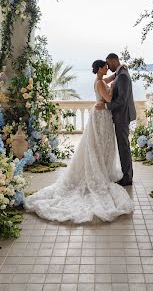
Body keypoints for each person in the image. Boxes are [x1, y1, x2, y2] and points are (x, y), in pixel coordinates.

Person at [24, 59, 133, 223]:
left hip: (102, 116)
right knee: (99, 146)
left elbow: (111, 80)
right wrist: (113, 90)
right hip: (101, 116)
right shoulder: (100, 83)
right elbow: (109, 99)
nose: (108, 69)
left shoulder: (102, 80)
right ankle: (98, 171)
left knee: (103, 146)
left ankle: (103, 168)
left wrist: (119, 71)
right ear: (100, 69)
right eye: (105, 67)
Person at [96, 52, 136, 186]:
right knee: (123, 145)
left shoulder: (123, 75)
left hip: (122, 116)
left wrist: (106, 105)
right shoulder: (120, 73)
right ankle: (127, 174)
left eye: (108, 64)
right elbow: (105, 80)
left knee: (123, 146)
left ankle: (127, 177)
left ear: (113, 61)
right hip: (121, 115)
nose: (108, 67)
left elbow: (122, 100)